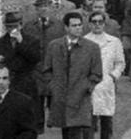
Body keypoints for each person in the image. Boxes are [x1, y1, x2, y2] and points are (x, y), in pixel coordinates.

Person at [43, 11, 103, 139]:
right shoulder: (54, 46)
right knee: (66, 130)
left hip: (80, 97)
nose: (78, 28)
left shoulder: (92, 48)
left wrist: (87, 87)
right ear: (66, 28)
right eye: (74, 25)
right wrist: (53, 86)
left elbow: (97, 73)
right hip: (61, 97)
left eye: (80, 25)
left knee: (78, 130)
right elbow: (47, 70)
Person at [23, 0, 67, 134]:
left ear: (50, 8)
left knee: (53, 96)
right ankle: (38, 126)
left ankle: (54, 120)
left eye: (45, 6)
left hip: (53, 67)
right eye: (40, 7)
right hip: (35, 67)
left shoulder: (59, 25)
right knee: (37, 98)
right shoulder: (29, 26)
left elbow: (63, 46)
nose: (43, 9)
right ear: (36, 9)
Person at [0, 12, 41, 115]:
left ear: (21, 25)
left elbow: (35, 58)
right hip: (7, 85)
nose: (12, 30)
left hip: (26, 84)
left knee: (26, 114)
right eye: (9, 27)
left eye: (15, 26)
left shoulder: (32, 41)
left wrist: (21, 43)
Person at [84, 11, 126, 139]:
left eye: (100, 22)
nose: (97, 25)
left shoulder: (114, 42)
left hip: (106, 85)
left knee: (106, 120)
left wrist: (113, 76)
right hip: (89, 85)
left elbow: (120, 63)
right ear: (90, 24)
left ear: (104, 24)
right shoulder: (84, 41)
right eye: (94, 22)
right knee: (88, 121)